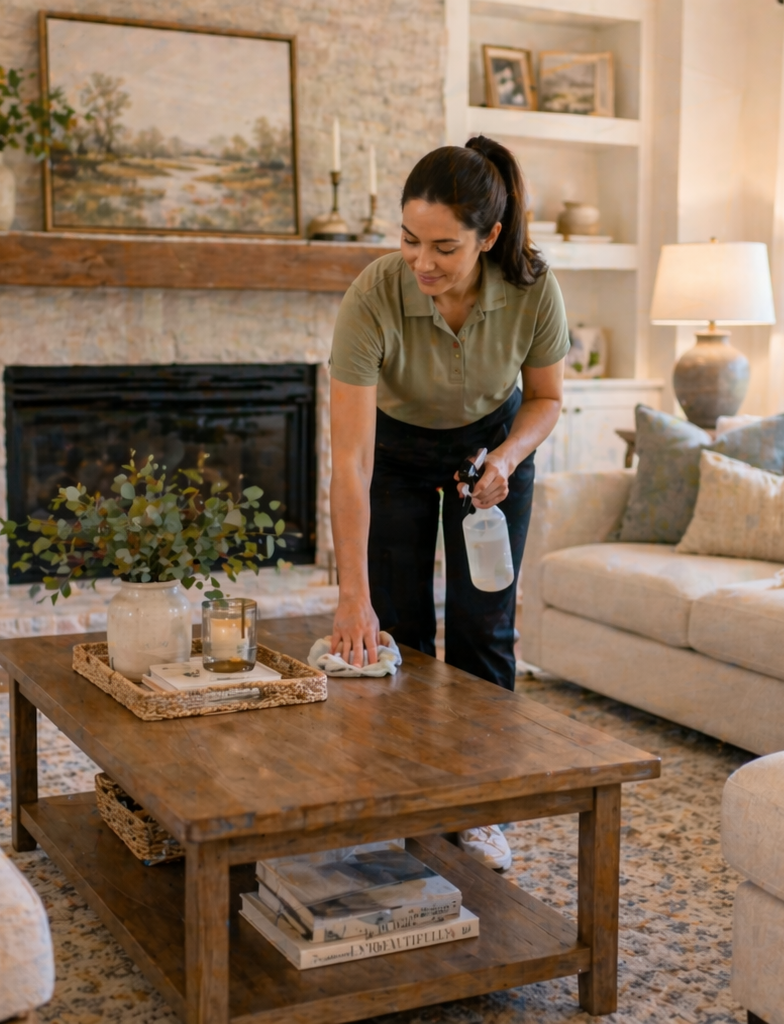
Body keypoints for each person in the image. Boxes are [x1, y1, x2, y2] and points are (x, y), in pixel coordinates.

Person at [327, 136, 568, 870]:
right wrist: (349, 597)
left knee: (483, 630)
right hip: (394, 453)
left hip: (488, 456)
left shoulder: (530, 287)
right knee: (396, 631)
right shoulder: (375, 292)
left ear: (489, 237)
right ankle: (405, 799)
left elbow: (548, 400)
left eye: (443, 247)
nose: (421, 262)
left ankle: (481, 809)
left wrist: (506, 459)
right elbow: (349, 457)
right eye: (408, 241)